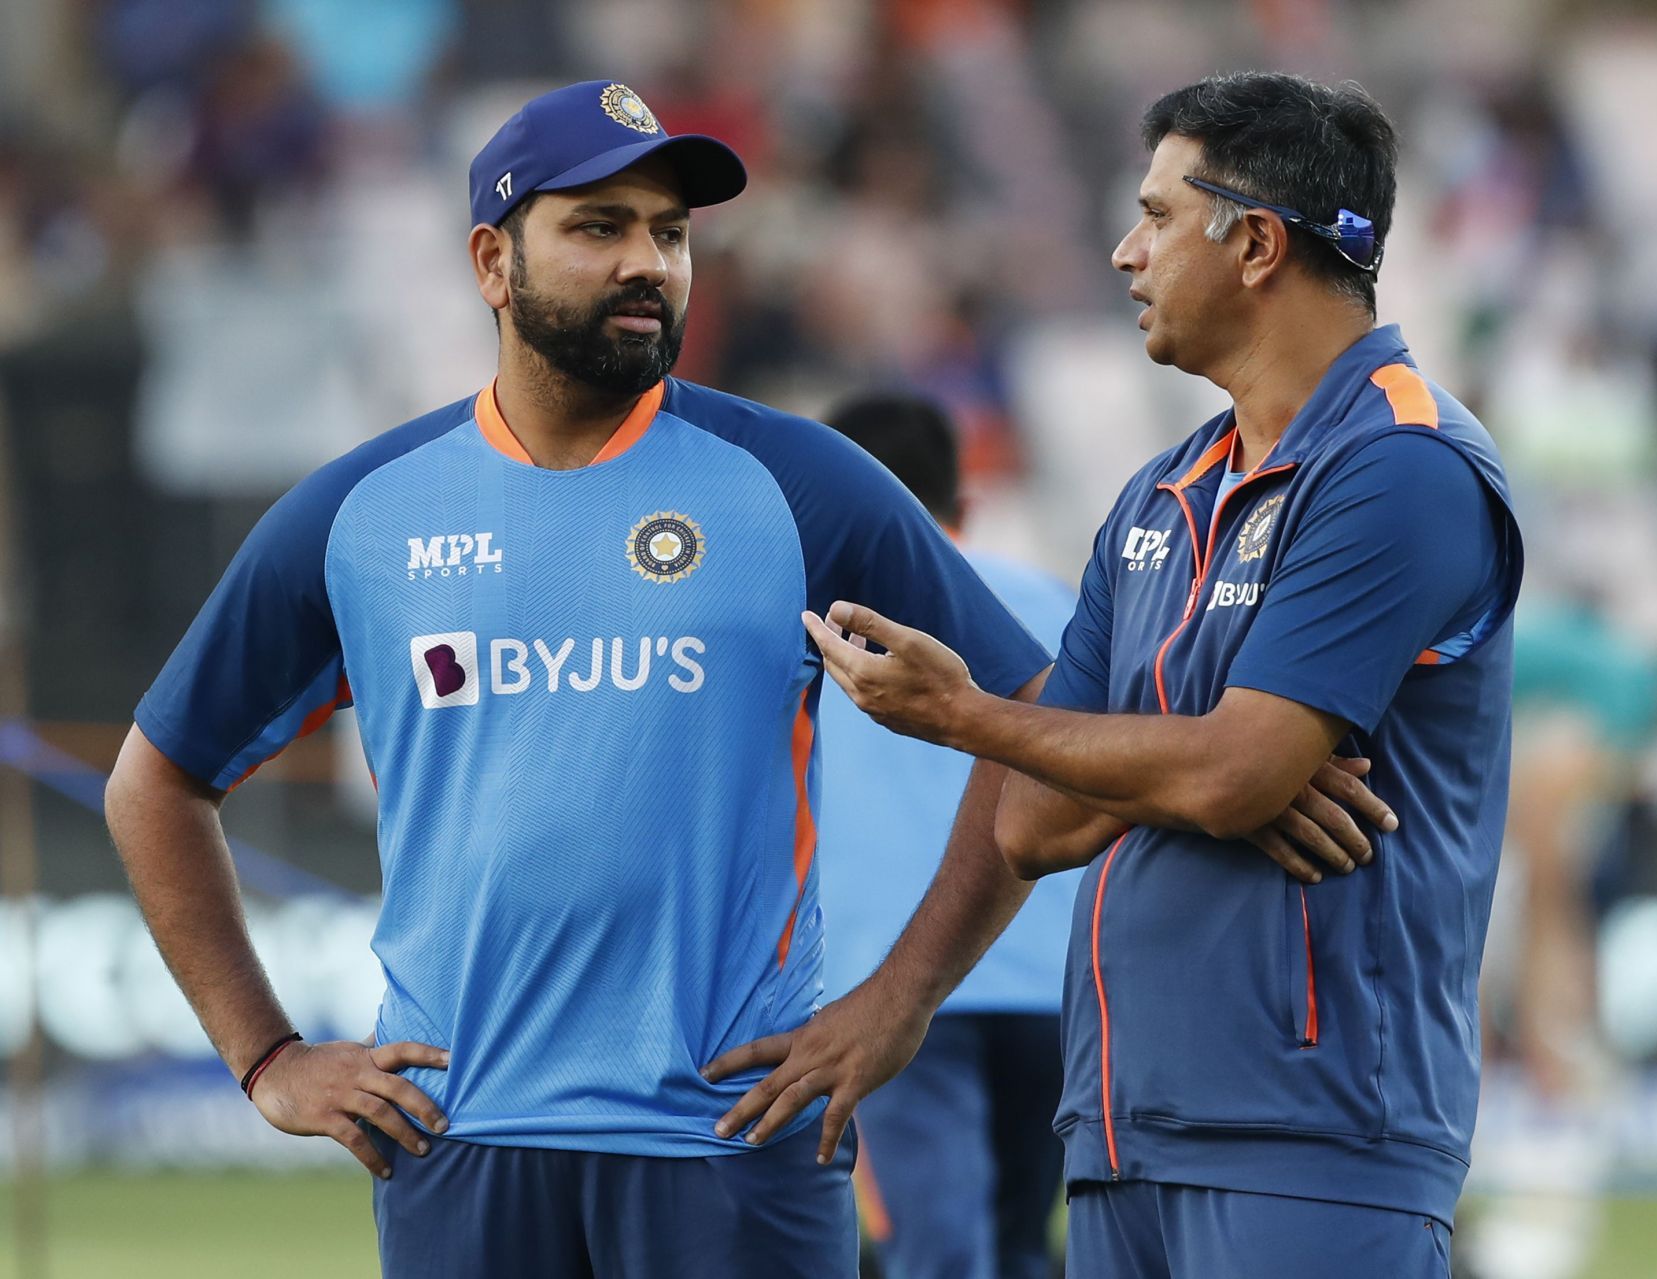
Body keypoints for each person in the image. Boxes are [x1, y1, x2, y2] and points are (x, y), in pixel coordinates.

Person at [103, 79, 1376, 1277]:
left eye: (669, 231)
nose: (647, 262)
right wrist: (266, 1055)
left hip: (734, 1144)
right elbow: (155, 783)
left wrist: (899, 999)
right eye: (598, 227)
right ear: (493, 262)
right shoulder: (362, 510)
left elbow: (1044, 730)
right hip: (456, 1144)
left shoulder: (801, 484)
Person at [778, 72, 1524, 1277]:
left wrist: (976, 716)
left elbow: (1233, 775)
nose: (1127, 252)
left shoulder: (1403, 465)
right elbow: (1036, 816)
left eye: (1159, 216)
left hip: (1314, 1132)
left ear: (1257, 244)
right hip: (1122, 1130)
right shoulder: (1159, 496)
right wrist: (1184, 759)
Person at [815, 392, 1077, 1279]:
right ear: (962, 506)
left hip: (895, 976)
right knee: (1018, 1244)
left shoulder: (820, 621)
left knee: (938, 1250)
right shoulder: (1058, 603)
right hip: (1054, 973)